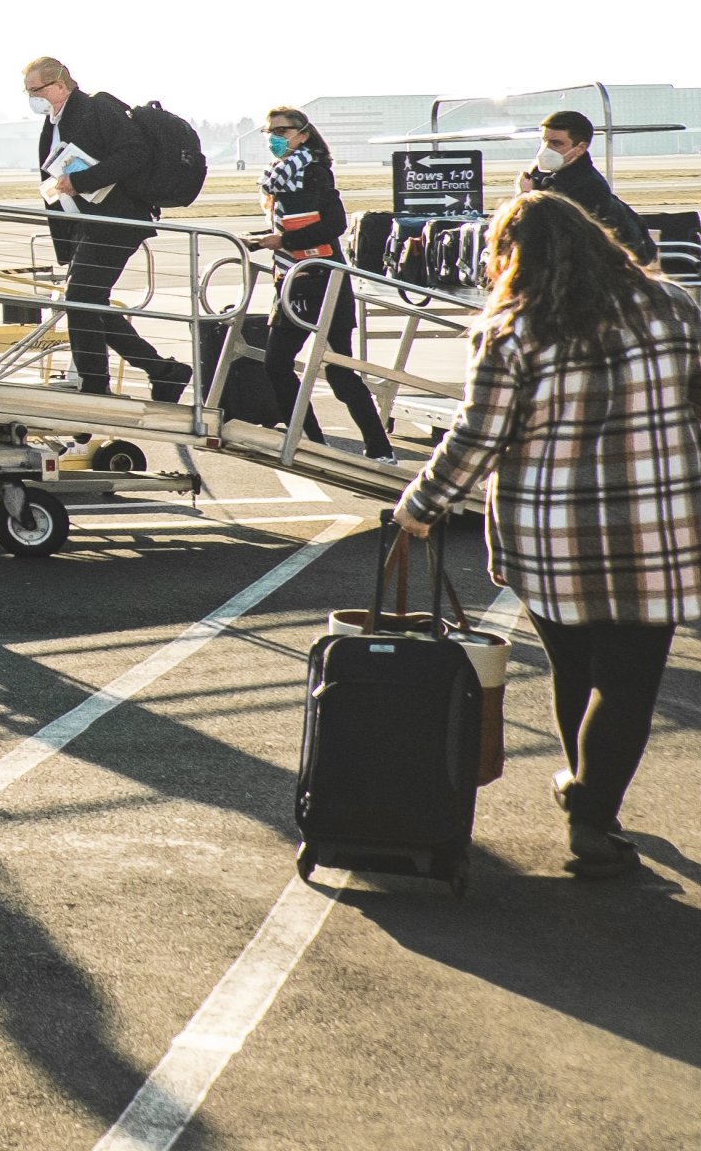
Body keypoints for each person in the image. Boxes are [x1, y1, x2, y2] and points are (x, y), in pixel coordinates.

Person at [393, 191, 701, 877]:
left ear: (514, 257)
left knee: (574, 667)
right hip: (658, 527)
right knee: (628, 684)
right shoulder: (675, 308)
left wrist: (422, 504)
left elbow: (479, 436)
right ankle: (592, 813)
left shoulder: (513, 331)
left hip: (550, 533)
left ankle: (589, 800)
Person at [24, 56, 190, 403]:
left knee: (80, 300)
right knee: (89, 302)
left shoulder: (96, 107)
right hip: (84, 225)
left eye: (35, 90)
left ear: (59, 84)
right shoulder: (53, 122)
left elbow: (134, 153)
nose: (32, 98)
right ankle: (164, 372)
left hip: (115, 222)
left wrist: (81, 181)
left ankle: (95, 384)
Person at [253, 106, 393, 458]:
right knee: (277, 365)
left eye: (282, 132)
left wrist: (283, 240)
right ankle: (311, 440)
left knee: (339, 371)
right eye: (269, 132)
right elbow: (289, 224)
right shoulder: (278, 176)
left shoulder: (313, 172)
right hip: (291, 278)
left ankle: (378, 447)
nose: (274, 139)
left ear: (303, 135)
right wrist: (264, 239)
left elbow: (333, 225)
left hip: (322, 279)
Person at [525, 109, 656, 268]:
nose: (546, 150)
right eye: (544, 141)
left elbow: (548, 232)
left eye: (556, 144)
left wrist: (525, 197)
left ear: (580, 148)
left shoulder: (589, 187)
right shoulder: (542, 173)